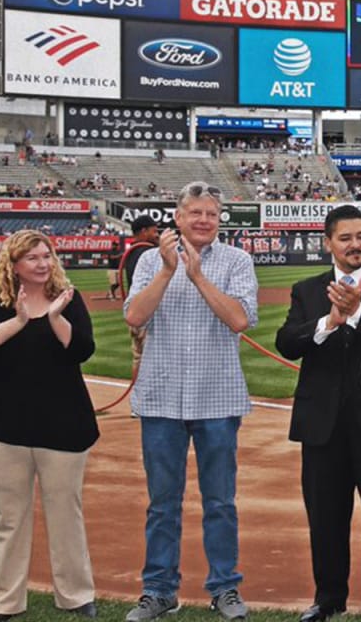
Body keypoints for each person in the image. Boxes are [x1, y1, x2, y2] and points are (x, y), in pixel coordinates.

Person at [123, 181, 259, 622]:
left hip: (216, 398)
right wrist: (167, 270)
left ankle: (225, 588)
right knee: (162, 503)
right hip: (161, 398)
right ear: (177, 217)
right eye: (195, 213)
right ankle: (159, 590)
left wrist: (197, 273)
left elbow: (239, 319)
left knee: (220, 501)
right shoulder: (149, 259)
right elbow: (135, 316)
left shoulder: (237, 260)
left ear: (220, 220)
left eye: (211, 214)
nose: (203, 220)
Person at [276, 205, 361, 622]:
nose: (356, 245)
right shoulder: (307, 289)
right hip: (322, 426)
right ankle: (328, 597)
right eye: (346, 237)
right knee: (326, 517)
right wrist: (329, 322)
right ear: (328, 242)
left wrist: (359, 314)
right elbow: (287, 342)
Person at [0, 230, 98, 622]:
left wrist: (54, 317)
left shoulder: (68, 300)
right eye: (33, 258)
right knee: (10, 518)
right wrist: (19, 321)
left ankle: (75, 595)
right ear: (15, 265)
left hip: (64, 424)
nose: (43, 263)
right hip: (3, 425)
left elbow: (83, 350)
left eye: (47, 256)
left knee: (65, 513)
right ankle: (5, 603)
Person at [121, 215, 161, 380]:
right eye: (154, 231)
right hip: (148, 314)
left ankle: (138, 399)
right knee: (154, 361)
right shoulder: (148, 253)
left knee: (139, 358)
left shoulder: (133, 252)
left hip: (136, 312)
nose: (157, 235)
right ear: (144, 231)